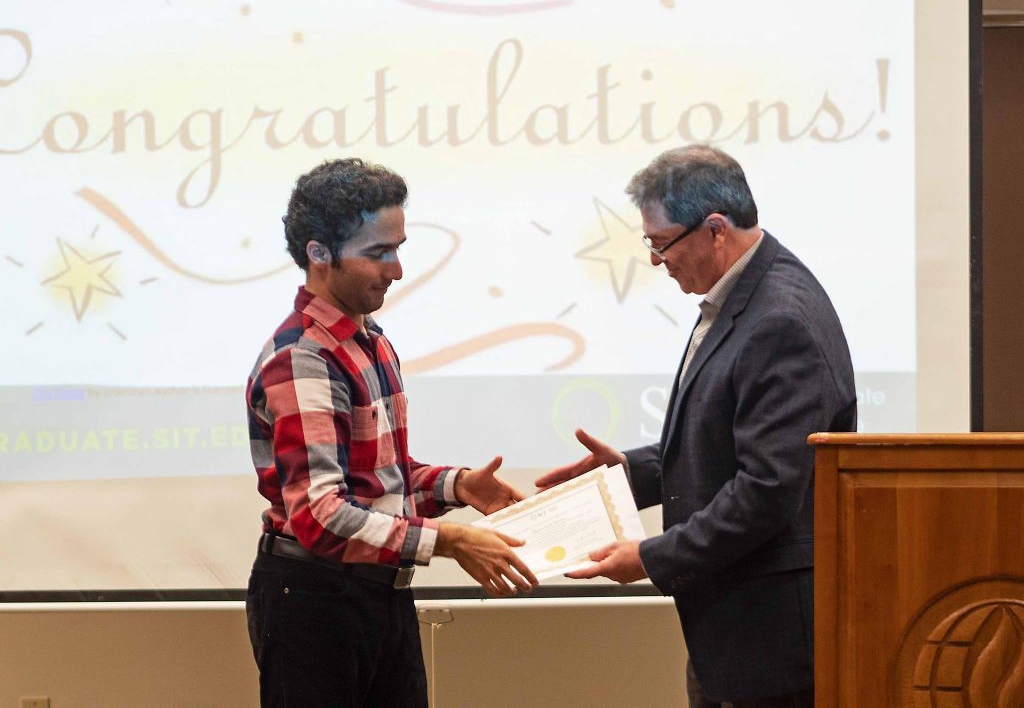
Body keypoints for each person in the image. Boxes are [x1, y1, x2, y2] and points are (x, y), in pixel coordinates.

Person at [536, 145, 856, 707]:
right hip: (734, 628)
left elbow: (767, 491)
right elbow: (721, 443)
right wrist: (628, 472)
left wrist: (651, 558)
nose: (657, 261)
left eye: (661, 244)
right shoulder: (744, 296)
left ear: (714, 230)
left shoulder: (779, 319)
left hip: (772, 641)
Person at [244, 158, 538, 708]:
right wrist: (448, 540)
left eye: (399, 248)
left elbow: (378, 483)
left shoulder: (369, 340)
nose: (398, 269)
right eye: (378, 253)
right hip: (316, 602)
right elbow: (320, 516)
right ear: (319, 254)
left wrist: (458, 487)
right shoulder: (304, 359)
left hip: (378, 594)